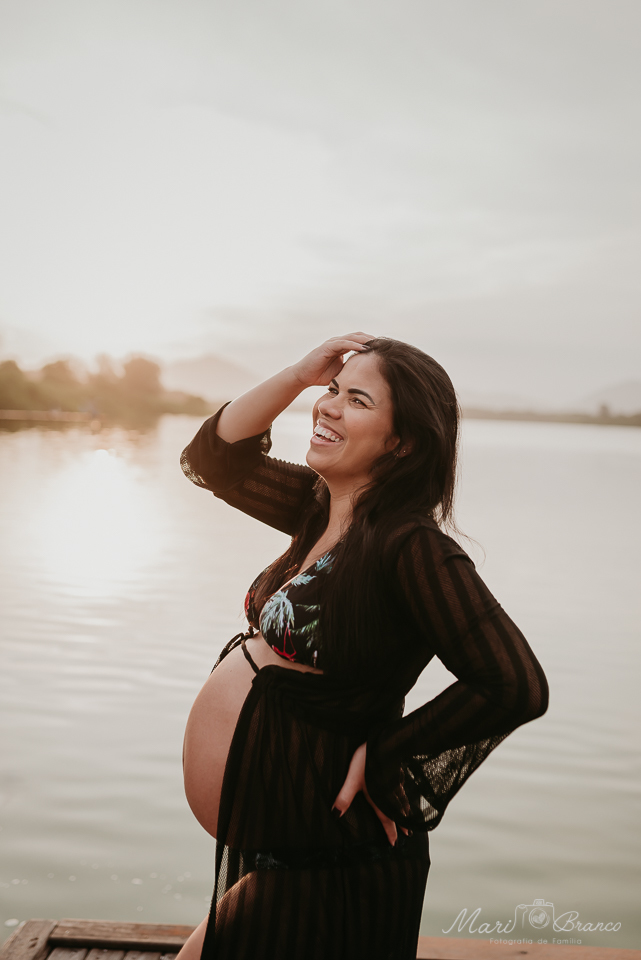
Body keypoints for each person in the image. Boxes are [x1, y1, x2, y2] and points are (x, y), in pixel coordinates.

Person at [177, 333, 549, 960]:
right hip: (284, 842)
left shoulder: (412, 547)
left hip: (330, 852)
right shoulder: (317, 509)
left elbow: (514, 683)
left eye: (356, 400)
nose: (327, 407)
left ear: (401, 442)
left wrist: (388, 759)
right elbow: (214, 458)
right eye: (330, 392)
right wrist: (298, 374)